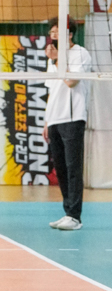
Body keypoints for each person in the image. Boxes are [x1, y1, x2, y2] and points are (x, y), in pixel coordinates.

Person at [44, 15, 92, 232]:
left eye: (57, 32)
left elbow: (71, 82)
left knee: (73, 168)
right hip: (55, 118)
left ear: (69, 34)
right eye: (52, 32)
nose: (53, 35)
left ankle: (75, 216)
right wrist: (47, 121)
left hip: (73, 118)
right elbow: (52, 90)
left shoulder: (80, 53)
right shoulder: (52, 58)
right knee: (61, 169)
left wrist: (57, 60)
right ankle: (68, 213)